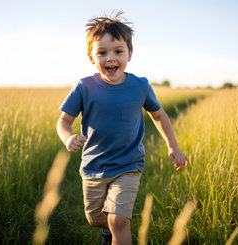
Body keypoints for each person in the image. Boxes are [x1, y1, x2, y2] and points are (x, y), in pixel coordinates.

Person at [56, 12, 189, 245]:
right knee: (97, 219)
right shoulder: (84, 87)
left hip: (129, 165)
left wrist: (173, 146)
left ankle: (115, 229)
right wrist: (68, 137)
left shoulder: (140, 86)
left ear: (130, 54)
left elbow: (158, 115)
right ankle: (107, 232)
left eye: (118, 51)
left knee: (118, 220)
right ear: (91, 57)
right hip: (93, 167)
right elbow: (63, 121)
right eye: (102, 52)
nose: (111, 58)